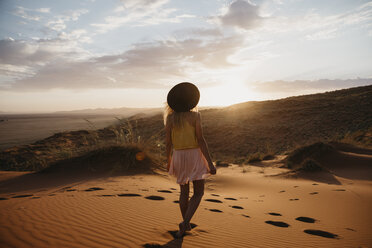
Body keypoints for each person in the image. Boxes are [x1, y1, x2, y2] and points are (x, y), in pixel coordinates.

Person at [164, 82, 217, 238]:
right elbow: (201, 140)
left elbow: (168, 142)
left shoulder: (170, 118)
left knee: (183, 192)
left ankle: (185, 224)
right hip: (194, 155)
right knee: (199, 193)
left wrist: (168, 161)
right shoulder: (195, 116)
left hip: (178, 156)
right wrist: (210, 162)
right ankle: (185, 222)